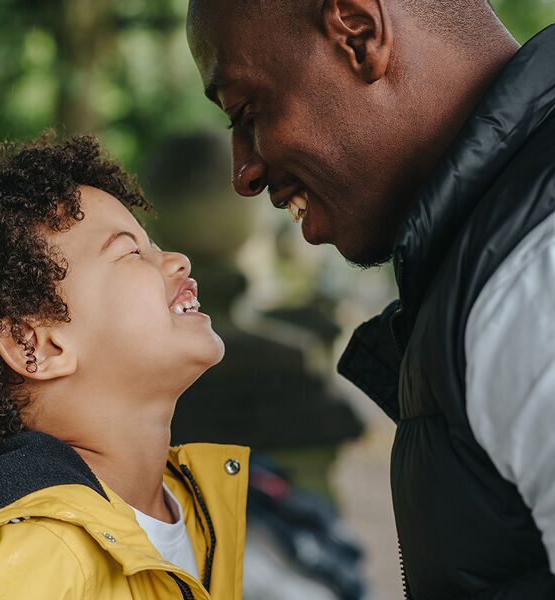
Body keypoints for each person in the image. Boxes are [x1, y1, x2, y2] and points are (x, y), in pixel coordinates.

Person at [186, 0, 555, 598]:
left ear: (357, 34)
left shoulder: (534, 274)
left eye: (248, 111)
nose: (244, 173)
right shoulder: (497, 260)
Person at [0, 136, 249, 600]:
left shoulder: (194, 506)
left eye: (153, 244)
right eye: (130, 252)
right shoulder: (32, 565)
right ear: (35, 345)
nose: (177, 260)